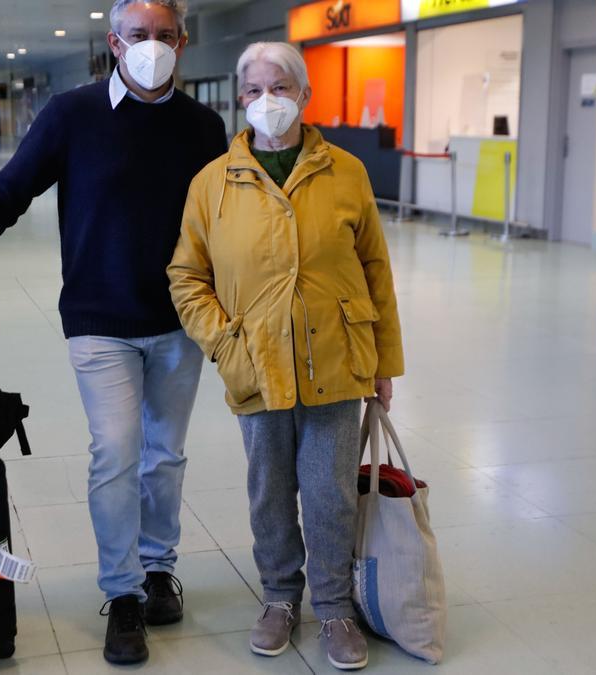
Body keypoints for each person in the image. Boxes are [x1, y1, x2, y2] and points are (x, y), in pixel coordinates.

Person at [0, 0, 227, 665]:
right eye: (138, 35)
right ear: (114, 42)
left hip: (179, 317)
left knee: (164, 455)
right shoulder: (72, 116)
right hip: (98, 317)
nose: (152, 46)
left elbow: (228, 222)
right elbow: (9, 190)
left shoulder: (204, 127)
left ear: (184, 40)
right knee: (116, 449)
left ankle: (158, 565)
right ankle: (124, 594)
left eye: (164, 35)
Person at [167, 42, 404, 671]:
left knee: (329, 494)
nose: (265, 101)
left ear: (304, 94)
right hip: (258, 365)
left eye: (279, 87)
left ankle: (333, 607)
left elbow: (376, 272)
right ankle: (278, 597)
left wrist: (384, 363)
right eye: (252, 90)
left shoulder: (347, 172)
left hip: (336, 361)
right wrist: (225, 342)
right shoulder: (211, 183)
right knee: (269, 491)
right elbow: (186, 276)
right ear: (239, 100)